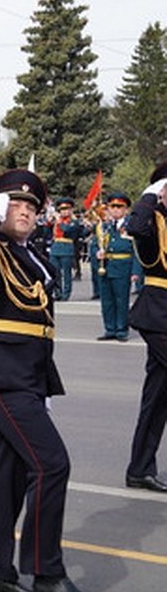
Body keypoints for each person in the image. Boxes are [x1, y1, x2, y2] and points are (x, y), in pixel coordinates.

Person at [0, 168, 102, 592]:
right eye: (16, 204)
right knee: (52, 464)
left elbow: (40, 322)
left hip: (27, 376)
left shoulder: (27, 256)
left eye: (33, 207)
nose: (27, 212)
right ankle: (46, 572)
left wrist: (44, 386)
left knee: (10, 475)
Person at [124, 167, 167, 493]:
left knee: (157, 399)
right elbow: (134, 226)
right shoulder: (153, 219)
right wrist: (149, 195)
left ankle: (139, 469)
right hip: (158, 312)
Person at [95, 192, 134, 341]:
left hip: (123, 266)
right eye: (113, 207)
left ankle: (121, 330)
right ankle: (110, 328)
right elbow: (98, 245)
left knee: (121, 300)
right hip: (106, 267)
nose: (116, 210)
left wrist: (136, 271)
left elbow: (137, 249)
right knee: (107, 301)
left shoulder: (131, 225)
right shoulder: (105, 226)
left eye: (119, 207)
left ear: (126, 209)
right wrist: (98, 254)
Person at [48, 197, 82, 301]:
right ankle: (57, 292)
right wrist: (49, 222)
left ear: (71, 210)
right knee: (55, 272)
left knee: (67, 273)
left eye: (67, 209)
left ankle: (66, 294)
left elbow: (66, 230)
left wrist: (58, 221)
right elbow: (46, 232)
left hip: (66, 248)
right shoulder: (57, 221)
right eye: (62, 210)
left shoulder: (74, 222)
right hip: (55, 248)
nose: (64, 212)